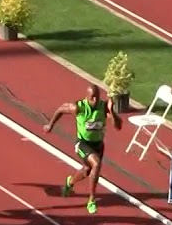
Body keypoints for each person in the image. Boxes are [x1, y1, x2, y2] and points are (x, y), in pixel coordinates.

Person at [44, 84, 121, 214]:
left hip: (98, 145)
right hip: (82, 143)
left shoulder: (103, 107)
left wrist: (111, 111)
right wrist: (50, 125)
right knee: (96, 164)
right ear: (87, 97)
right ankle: (91, 199)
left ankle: (70, 181)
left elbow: (118, 127)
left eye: (97, 97)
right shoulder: (78, 107)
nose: (95, 100)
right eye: (92, 98)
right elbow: (61, 109)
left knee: (87, 170)